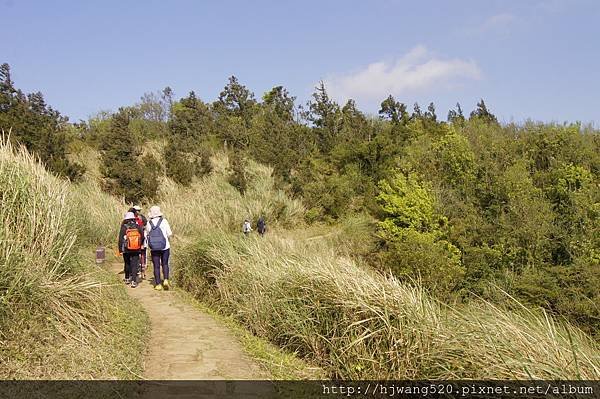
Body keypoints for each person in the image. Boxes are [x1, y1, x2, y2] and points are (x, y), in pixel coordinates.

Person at [146, 205, 173, 291]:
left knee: (156, 266)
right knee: (165, 264)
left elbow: (147, 234)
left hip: (154, 248)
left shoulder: (149, 223)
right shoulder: (164, 221)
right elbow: (169, 233)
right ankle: (165, 279)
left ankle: (158, 284)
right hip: (165, 246)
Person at [118, 212, 144, 288]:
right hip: (136, 248)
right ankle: (134, 281)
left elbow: (120, 239)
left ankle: (126, 278)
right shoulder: (138, 226)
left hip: (126, 249)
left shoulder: (124, 227)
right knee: (135, 264)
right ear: (133, 218)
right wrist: (140, 244)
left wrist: (120, 249)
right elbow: (142, 236)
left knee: (127, 263)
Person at [130, 205, 148, 279]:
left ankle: (137, 271)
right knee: (142, 256)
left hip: (134, 241)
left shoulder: (130, 219)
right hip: (140, 240)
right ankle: (142, 272)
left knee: (137, 257)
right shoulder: (141, 218)